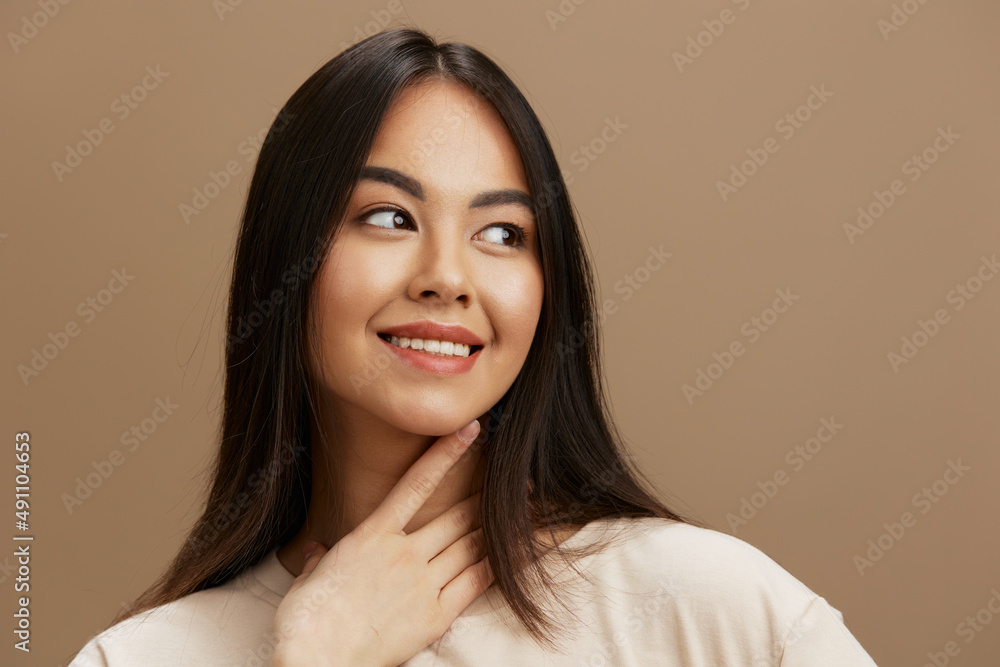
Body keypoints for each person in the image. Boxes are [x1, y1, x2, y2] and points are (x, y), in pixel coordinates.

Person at [69, 27, 879, 666]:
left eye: (501, 231)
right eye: (389, 216)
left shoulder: (719, 612)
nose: (449, 277)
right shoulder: (139, 657)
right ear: (288, 257)